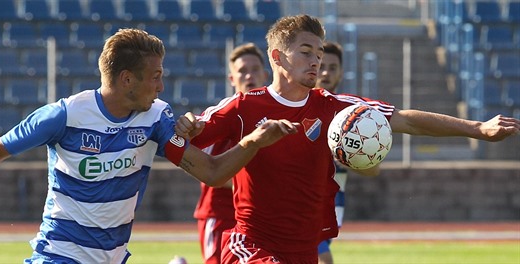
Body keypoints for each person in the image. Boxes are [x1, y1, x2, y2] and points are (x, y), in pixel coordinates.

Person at [174, 14, 520, 264]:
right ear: (277, 58)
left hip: (305, 250)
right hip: (253, 246)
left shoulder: (336, 109)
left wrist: (477, 128)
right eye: (306, 52)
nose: (317, 61)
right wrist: (188, 126)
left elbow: (406, 120)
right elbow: (194, 131)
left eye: (319, 52)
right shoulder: (243, 106)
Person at [0, 28, 299, 264]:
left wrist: (255, 141)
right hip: (60, 255)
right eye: (155, 76)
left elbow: (211, 172)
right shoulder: (65, 115)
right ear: (126, 80)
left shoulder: (155, 118)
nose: (162, 85)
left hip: (113, 256)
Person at [193, 42, 269, 264]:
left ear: (265, 75)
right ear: (231, 79)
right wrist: (247, 185)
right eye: (242, 71)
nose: (249, 75)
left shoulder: (272, 118)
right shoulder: (222, 118)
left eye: (254, 69)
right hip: (220, 213)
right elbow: (202, 164)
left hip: (256, 218)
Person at [315, 41, 348, 264]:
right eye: (321, 65)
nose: (326, 72)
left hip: (335, 197)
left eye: (333, 67)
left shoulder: (350, 115)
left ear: (341, 73)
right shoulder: (296, 105)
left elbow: (373, 170)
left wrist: (354, 160)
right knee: (323, 257)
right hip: (302, 198)